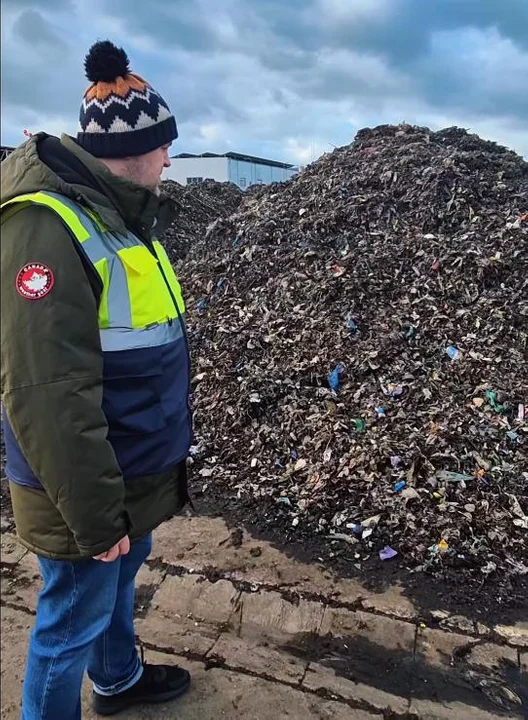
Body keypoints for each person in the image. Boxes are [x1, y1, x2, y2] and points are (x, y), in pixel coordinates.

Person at [0, 40, 193, 718]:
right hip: (83, 486)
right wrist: (92, 511)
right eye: (164, 144)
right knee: (68, 624)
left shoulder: (120, 218)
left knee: (115, 586)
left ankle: (118, 678)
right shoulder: (47, 228)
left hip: (126, 469)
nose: (171, 159)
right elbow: (45, 392)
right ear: (133, 146)